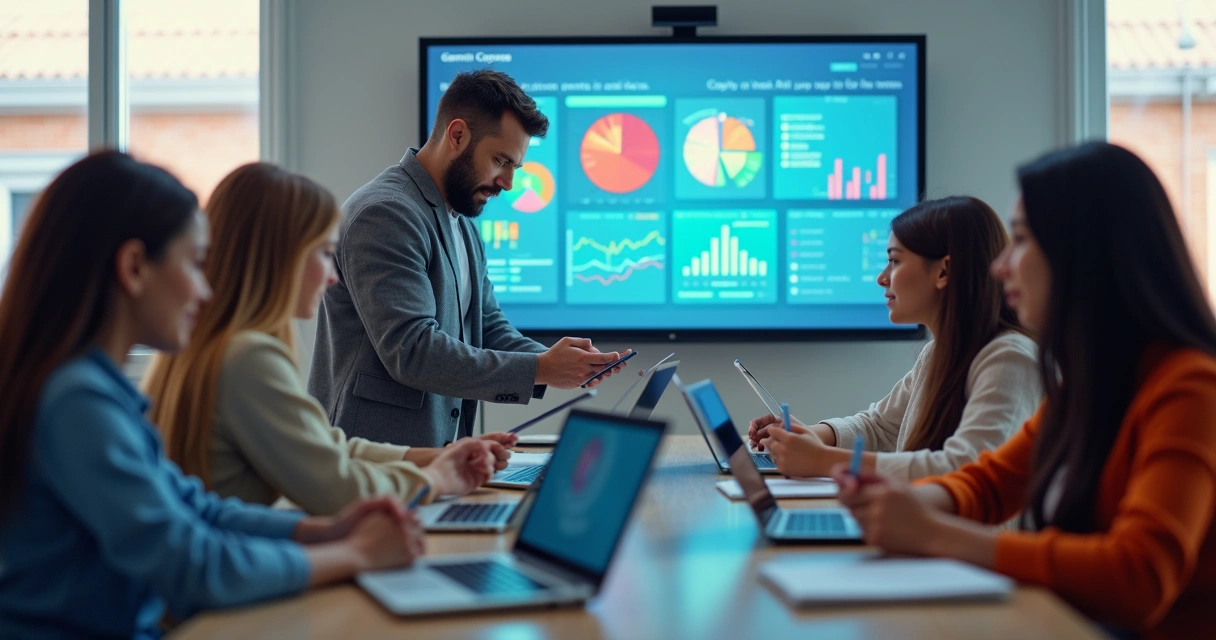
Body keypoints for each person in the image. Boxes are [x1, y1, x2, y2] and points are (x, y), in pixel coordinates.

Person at [0, 152, 424, 639]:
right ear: (135, 267)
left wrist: (319, 532)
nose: (205, 290)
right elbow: (191, 565)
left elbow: (197, 510)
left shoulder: (96, 389)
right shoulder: (76, 402)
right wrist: (356, 554)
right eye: (196, 264)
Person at [833, 142, 1216, 638]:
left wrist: (934, 533)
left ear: (1084, 253)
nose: (1000, 265)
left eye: (1021, 240)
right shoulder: (1092, 383)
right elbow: (989, 484)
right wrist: (898, 506)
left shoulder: (1189, 387)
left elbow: (1137, 576)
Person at [145, 163, 514, 516]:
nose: (333, 277)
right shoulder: (248, 358)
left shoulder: (214, 346)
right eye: (324, 253)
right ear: (280, 258)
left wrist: (435, 458)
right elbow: (335, 485)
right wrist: (436, 479)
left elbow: (326, 446)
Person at [309, 69, 629, 448]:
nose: (508, 183)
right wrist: (540, 369)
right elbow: (412, 350)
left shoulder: (459, 221)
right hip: (370, 465)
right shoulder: (386, 213)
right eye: (500, 161)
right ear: (457, 134)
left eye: (515, 167)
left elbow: (488, 327)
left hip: (435, 462)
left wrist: (559, 362)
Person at [750, 196, 1040, 481]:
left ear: (943, 271)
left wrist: (823, 460)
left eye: (894, 261)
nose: (882, 277)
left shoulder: (1009, 359)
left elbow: (964, 469)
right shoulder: (937, 353)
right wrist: (810, 435)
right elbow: (879, 428)